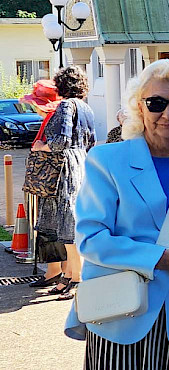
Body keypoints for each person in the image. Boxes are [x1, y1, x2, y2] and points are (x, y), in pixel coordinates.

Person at [65, 59, 169, 368]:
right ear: (140, 106)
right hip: (120, 312)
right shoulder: (107, 159)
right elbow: (92, 240)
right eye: (156, 103)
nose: (168, 113)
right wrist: (164, 258)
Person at [33, 66, 95, 300]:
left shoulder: (66, 106)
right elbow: (91, 140)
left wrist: (42, 147)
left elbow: (60, 141)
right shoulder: (86, 107)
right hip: (81, 163)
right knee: (72, 219)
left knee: (66, 221)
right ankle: (69, 275)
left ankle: (76, 277)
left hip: (64, 167)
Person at [20, 79, 65, 289]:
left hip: (51, 184)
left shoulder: (53, 119)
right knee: (51, 227)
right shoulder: (53, 118)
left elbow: (56, 146)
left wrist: (40, 147)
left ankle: (55, 272)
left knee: (50, 228)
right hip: (51, 183)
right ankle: (56, 271)